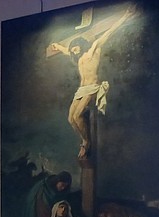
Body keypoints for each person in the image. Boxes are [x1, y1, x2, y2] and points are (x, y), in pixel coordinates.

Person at [48, 5, 136, 158]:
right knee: (70, 119)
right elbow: (65, 51)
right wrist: (58, 46)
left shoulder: (93, 50)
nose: (74, 49)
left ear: (81, 45)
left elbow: (109, 33)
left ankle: (86, 141)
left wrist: (125, 17)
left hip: (91, 87)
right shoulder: (79, 58)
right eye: (73, 48)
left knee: (77, 116)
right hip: (81, 90)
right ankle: (83, 139)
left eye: (76, 47)